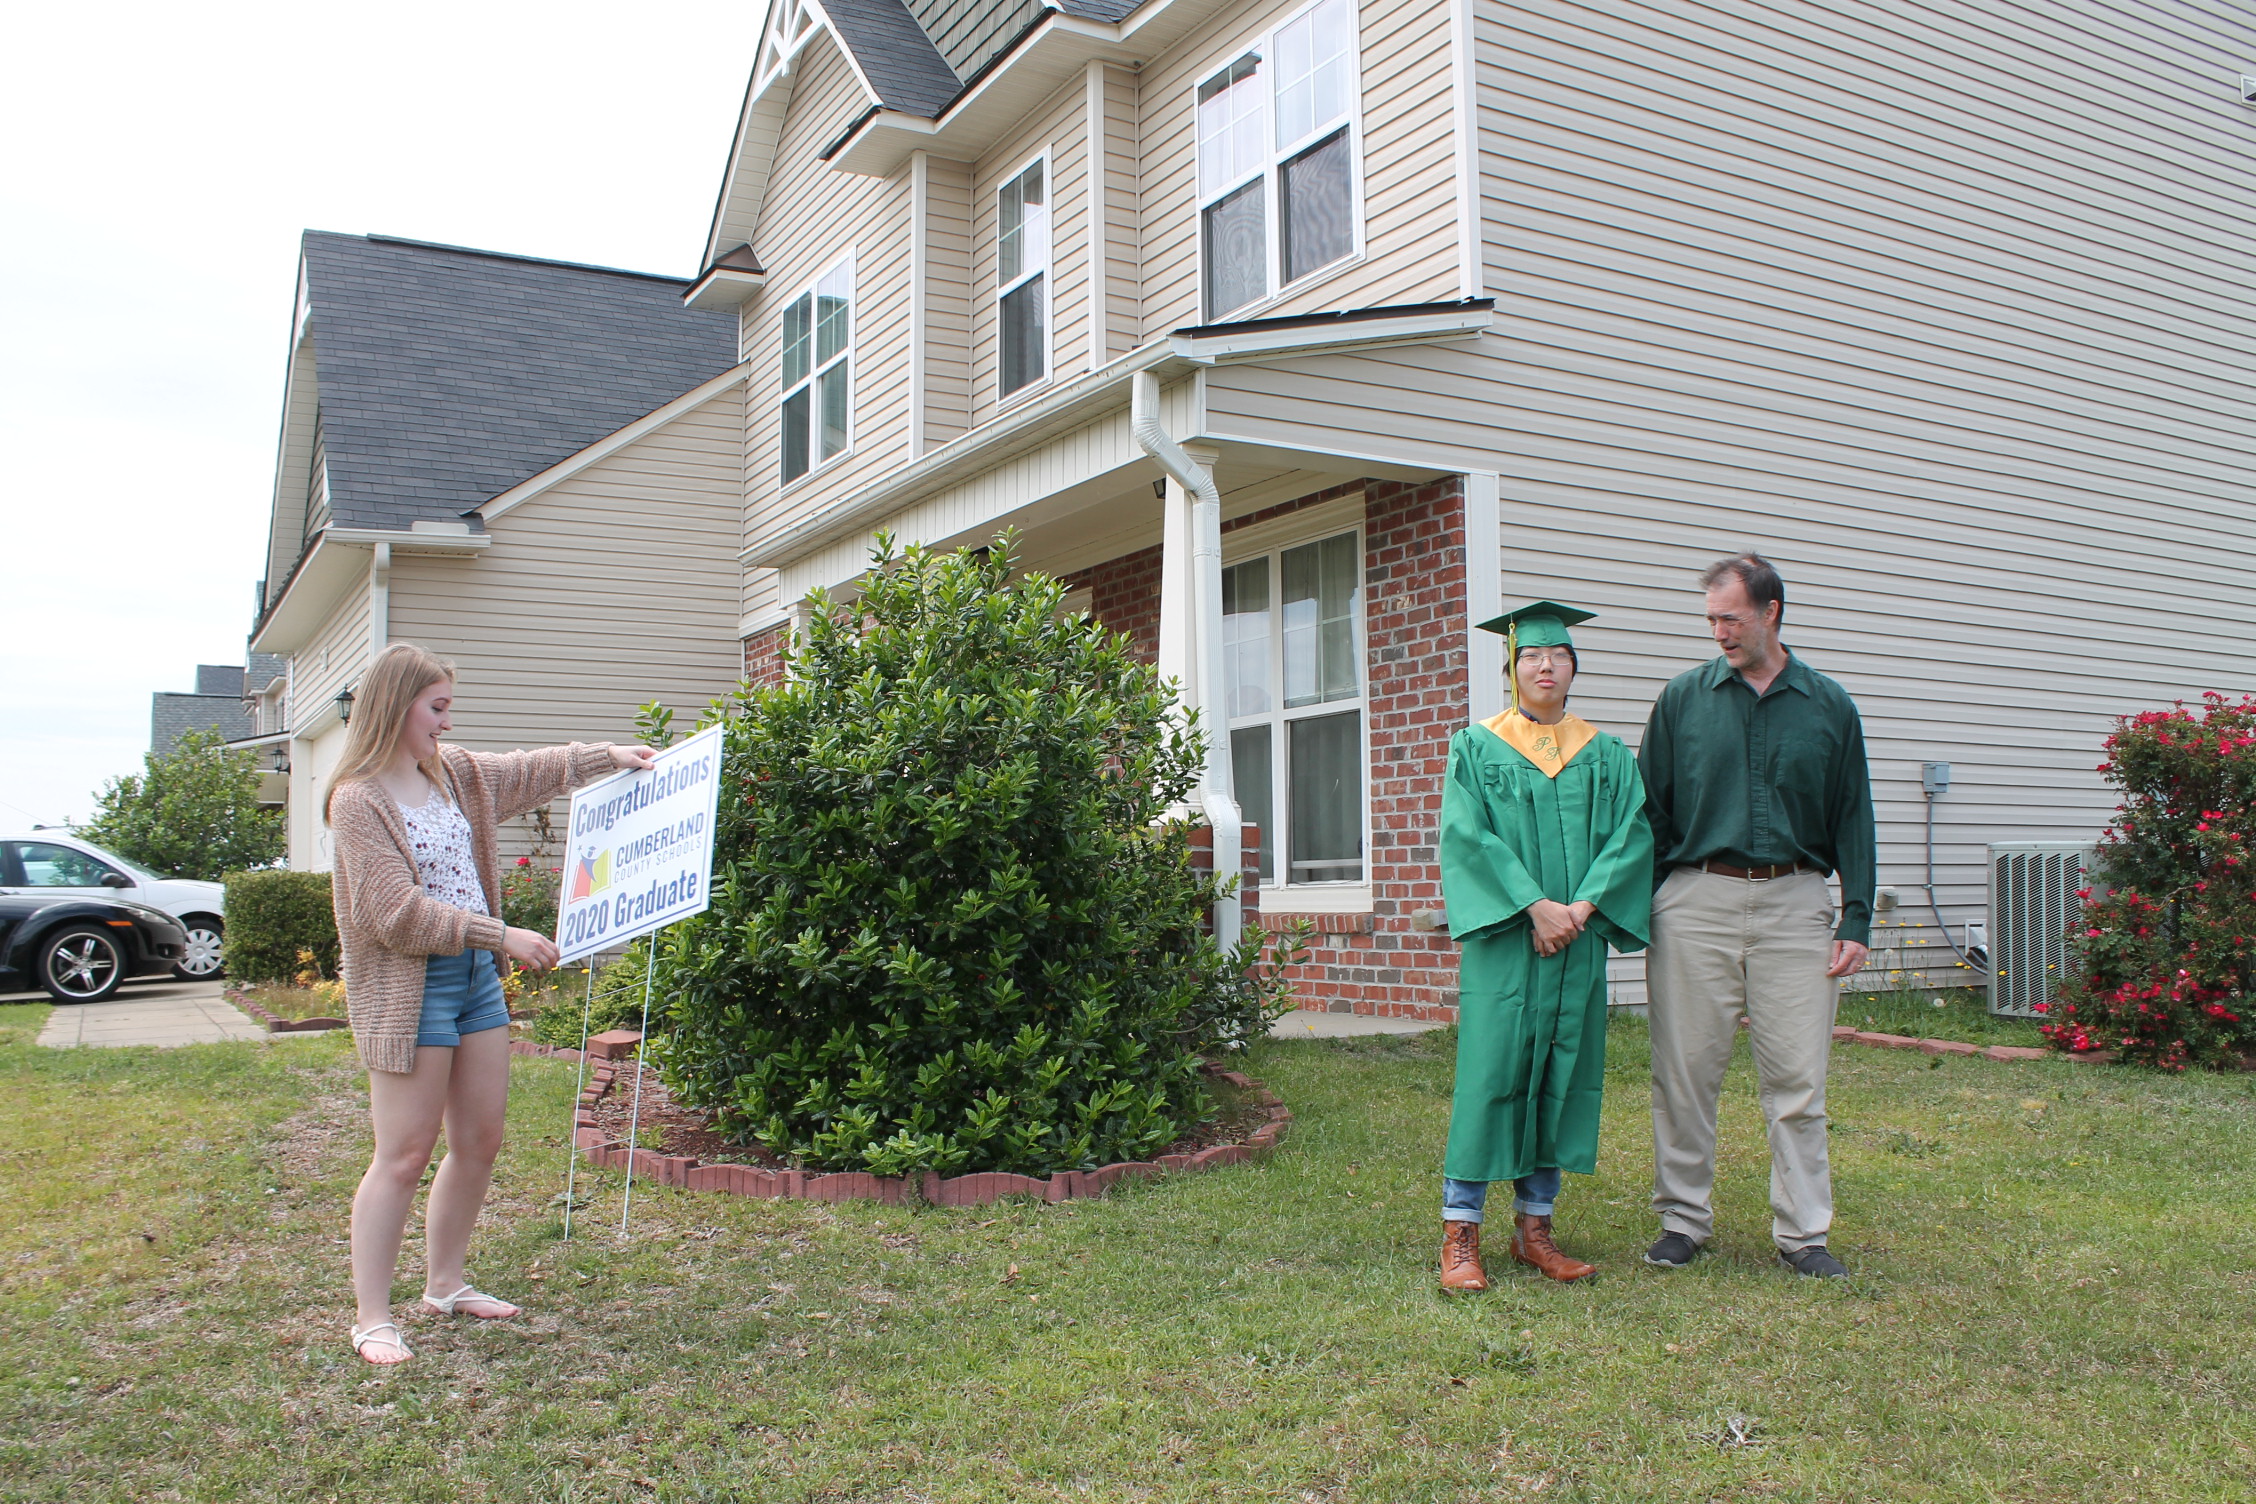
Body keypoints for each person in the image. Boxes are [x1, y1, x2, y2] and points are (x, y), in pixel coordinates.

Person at [325, 643, 654, 1364]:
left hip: (475, 980)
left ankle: (445, 1285)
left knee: (479, 1141)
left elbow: (534, 770)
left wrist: (610, 757)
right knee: (404, 1155)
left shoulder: (454, 775)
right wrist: (500, 933)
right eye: (437, 708)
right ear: (396, 707)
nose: (447, 723)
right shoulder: (358, 800)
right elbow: (393, 913)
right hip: (410, 989)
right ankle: (371, 1318)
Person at [1638, 554, 1874, 1280]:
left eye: (1731, 618)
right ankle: (1683, 1220)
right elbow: (1650, 810)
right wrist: (1648, 903)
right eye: (1711, 619)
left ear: (1771, 612)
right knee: (1684, 1073)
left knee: (1799, 1080)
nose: (1719, 632)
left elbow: (1853, 815)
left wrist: (1855, 918)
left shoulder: (1829, 705)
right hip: (1695, 899)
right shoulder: (1683, 699)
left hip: (1795, 901)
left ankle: (1804, 1234)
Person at [1438, 602, 1655, 1289]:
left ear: (1572, 668)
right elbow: (1467, 836)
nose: (1545, 666)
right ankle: (1460, 1233)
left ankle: (1535, 1230)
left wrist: (1580, 909)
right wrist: (1535, 906)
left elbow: (1632, 834)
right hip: (1508, 939)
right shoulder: (1476, 747)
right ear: (1512, 668)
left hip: (1576, 943)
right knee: (1490, 1076)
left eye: (1558, 656)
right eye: (1531, 656)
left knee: (1561, 1076)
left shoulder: (1606, 754)